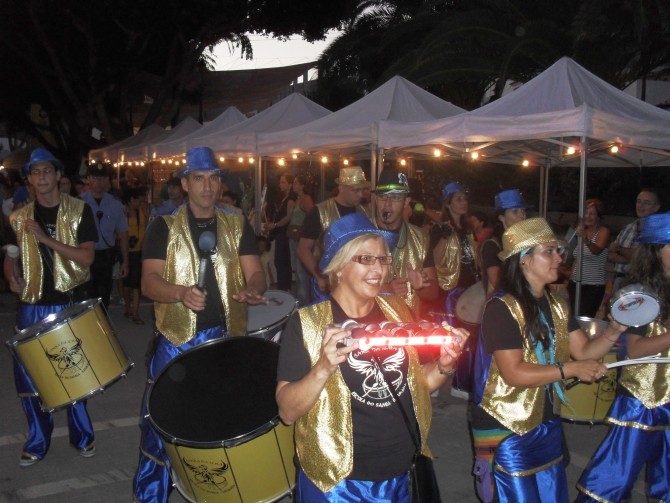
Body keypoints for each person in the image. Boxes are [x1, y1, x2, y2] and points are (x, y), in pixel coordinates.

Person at [276, 212, 468, 501]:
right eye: (366, 259)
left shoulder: (397, 311)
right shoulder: (307, 325)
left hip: (401, 472)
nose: (378, 269)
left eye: (383, 259)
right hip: (338, 483)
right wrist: (323, 368)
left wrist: (444, 365)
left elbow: (418, 385)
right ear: (338, 266)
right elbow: (287, 412)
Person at [132, 146, 267, 503]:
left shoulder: (237, 223)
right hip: (177, 340)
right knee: (160, 425)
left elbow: (256, 272)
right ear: (185, 184)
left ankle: (214, 494)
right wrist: (180, 293)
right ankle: (150, 496)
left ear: (220, 183)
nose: (207, 186)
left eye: (213, 178)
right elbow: (149, 282)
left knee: (218, 423)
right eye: (198, 178)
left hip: (225, 340)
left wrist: (254, 289)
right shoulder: (163, 225)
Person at [470, 217, 626, 502]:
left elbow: (584, 351)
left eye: (558, 251)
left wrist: (614, 331)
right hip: (506, 422)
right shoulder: (501, 307)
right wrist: (572, 369)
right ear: (524, 259)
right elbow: (514, 373)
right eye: (549, 251)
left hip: (544, 419)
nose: (559, 258)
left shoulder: (556, 303)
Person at [4, 147, 98, 467]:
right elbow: (10, 256)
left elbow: (86, 257)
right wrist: (12, 277)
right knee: (30, 379)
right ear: (29, 180)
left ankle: (82, 436)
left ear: (58, 175)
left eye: (47, 171)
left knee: (74, 374)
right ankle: (37, 441)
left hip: (68, 303)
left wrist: (45, 239)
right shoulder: (18, 218)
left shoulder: (79, 210)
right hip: (31, 306)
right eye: (35, 172)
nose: (41, 177)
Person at [576, 212, 670, 503]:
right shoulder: (641, 294)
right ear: (656, 250)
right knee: (613, 478)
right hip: (643, 400)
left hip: (668, 398)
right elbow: (636, 349)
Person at [430, 182, 480, 397]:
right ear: (448, 203)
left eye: (465, 198)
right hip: (449, 289)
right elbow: (433, 259)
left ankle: (460, 383)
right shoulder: (440, 228)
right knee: (446, 335)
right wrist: (444, 236)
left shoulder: (468, 229)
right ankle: (433, 377)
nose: (464, 202)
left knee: (467, 337)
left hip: (469, 288)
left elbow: (474, 259)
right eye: (459, 199)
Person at [298, 166, 370, 302]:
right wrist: (319, 276)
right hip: (327, 284)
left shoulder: (365, 213)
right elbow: (303, 249)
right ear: (341, 188)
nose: (360, 194)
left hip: (356, 283)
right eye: (356, 190)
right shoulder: (320, 212)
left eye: (362, 190)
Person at [373, 169, 438, 316]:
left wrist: (420, 286)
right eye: (382, 197)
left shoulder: (421, 238)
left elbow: (433, 293)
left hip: (407, 326)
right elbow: (340, 284)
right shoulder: (359, 234)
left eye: (395, 198)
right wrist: (386, 289)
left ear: (406, 202)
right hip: (368, 324)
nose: (387, 204)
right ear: (376, 199)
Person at [80, 163, 129, 308]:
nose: (99, 182)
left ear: (107, 180)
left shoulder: (115, 204)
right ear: (88, 179)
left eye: (102, 178)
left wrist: (125, 262)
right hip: (83, 255)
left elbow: (123, 234)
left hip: (105, 257)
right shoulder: (79, 202)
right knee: (85, 297)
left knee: (104, 297)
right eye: (95, 178)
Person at [607, 188, 661, 291]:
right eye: (638, 201)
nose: (641, 206)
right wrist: (634, 257)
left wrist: (619, 249)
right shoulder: (627, 228)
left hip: (643, 285)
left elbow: (643, 257)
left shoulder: (657, 232)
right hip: (620, 281)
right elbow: (610, 255)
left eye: (646, 203)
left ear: (656, 208)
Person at [567, 199, 610, 317]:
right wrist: (570, 280)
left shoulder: (603, 232)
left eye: (592, 213)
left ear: (598, 217)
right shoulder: (581, 232)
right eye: (586, 213)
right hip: (575, 283)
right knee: (573, 317)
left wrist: (585, 239)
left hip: (592, 286)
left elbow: (597, 251)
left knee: (584, 317)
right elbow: (577, 259)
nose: (588, 216)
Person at [480, 189, 528, 296]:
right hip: (505, 301)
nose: (522, 215)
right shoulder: (492, 246)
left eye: (523, 211)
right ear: (501, 217)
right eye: (515, 211)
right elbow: (496, 282)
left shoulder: (525, 242)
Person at [264, 173, 296, 292]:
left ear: (290, 184)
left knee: (281, 260)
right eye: (280, 182)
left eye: (283, 182)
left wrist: (275, 225)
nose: (280, 185)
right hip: (280, 232)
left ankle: (284, 287)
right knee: (281, 261)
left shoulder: (290, 200)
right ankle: (284, 286)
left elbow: (288, 217)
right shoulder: (282, 198)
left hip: (284, 233)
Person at [122, 186, 148, 324]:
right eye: (138, 200)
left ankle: (136, 313)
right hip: (125, 251)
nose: (140, 202)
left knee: (137, 283)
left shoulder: (142, 211)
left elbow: (147, 226)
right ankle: (127, 307)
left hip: (138, 252)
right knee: (127, 283)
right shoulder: (122, 212)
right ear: (131, 200)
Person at [288, 174, 314, 305]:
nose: (293, 185)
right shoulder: (297, 199)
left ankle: (304, 301)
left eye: (296, 183)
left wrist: (303, 228)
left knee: (301, 271)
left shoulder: (306, 199)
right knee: (297, 270)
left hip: (301, 238)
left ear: (302, 186)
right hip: (294, 236)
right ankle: (301, 298)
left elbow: (312, 216)